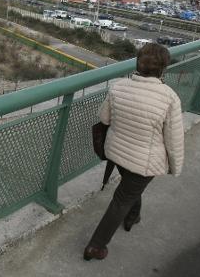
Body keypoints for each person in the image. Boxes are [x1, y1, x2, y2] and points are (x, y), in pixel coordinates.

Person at [83, 43, 185, 261]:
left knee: (129, 188)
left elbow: (104, 118)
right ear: (163, 68)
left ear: (138, 63)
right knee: (123, 197)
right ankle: (96, 246)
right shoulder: (169, 97)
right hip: (145, 162)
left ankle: (133, 216)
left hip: (117, 152)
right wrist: (175, 167)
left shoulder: (118, 86)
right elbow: (174, 140)